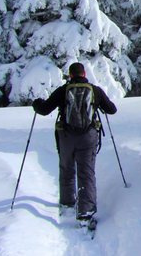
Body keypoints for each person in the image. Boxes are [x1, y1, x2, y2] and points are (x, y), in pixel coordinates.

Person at [33, 62, 117, 224]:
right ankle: (86, 212)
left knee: (66, 168)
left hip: (66, 136)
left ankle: (67, 204)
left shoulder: (63, 91)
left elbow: (44, 110)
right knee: (86, 172)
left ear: (70, 75)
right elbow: (112, 110)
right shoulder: (95, 90)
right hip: (88, 136)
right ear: (84, 74)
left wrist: (37, 104)